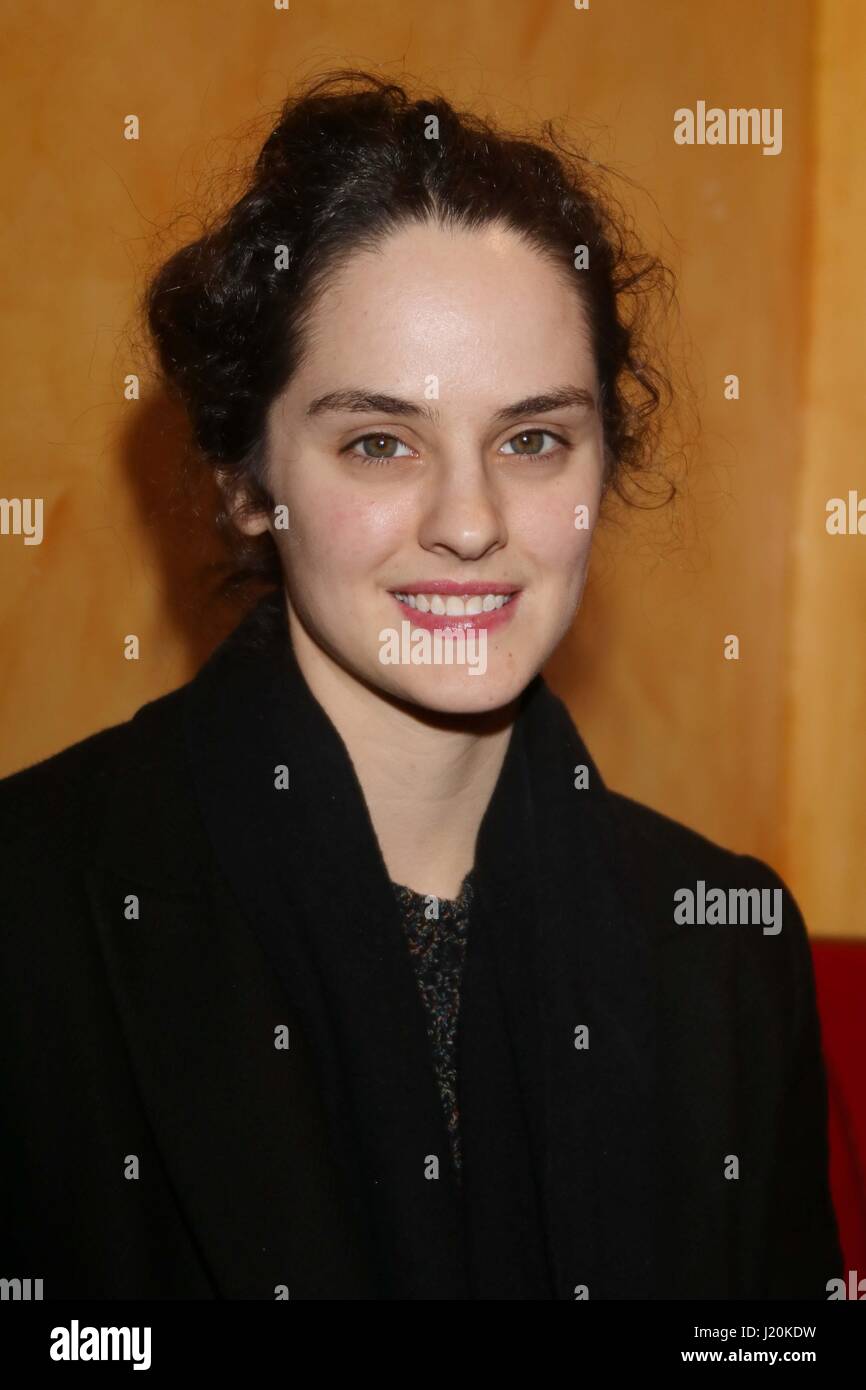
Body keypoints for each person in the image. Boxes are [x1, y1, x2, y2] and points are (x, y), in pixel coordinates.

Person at [0, 69, 843, 1300]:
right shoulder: (32, 913)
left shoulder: (722, 949)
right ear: (245, 480)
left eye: (533, 438)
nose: (468, 521)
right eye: (379, 442)